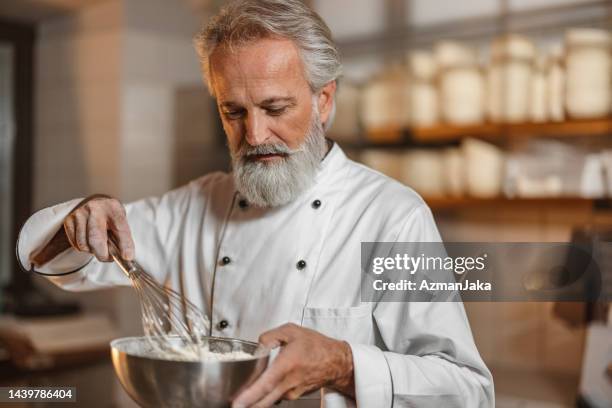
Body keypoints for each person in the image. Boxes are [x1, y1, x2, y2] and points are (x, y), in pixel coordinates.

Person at [16, 0, 494, 406]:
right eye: (234, 112)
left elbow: (468, 389)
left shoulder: (393, 216)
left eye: (275, 108)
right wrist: (86, 214)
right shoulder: (194, 205)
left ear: (323, 101)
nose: (255, 135)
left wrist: (344, 364)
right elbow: (52, 261)